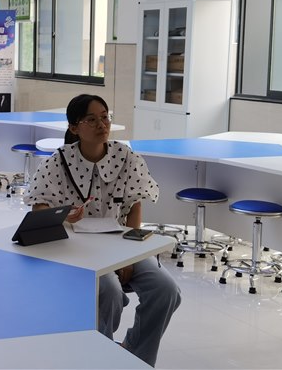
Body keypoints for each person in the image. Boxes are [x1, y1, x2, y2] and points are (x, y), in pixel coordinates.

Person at [24, 94, 180, 367]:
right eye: (92, 119)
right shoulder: (57, 162)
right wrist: (63, 216)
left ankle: (136, 356)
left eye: (105, 117)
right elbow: (39, 207)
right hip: (77, 247)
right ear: (74, 127)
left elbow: (134, 206)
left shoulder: (126, 157)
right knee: (108, 291)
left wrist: (129, 256)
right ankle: (100, 359)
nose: (102, 124)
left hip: (120, 242)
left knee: (166, 290)